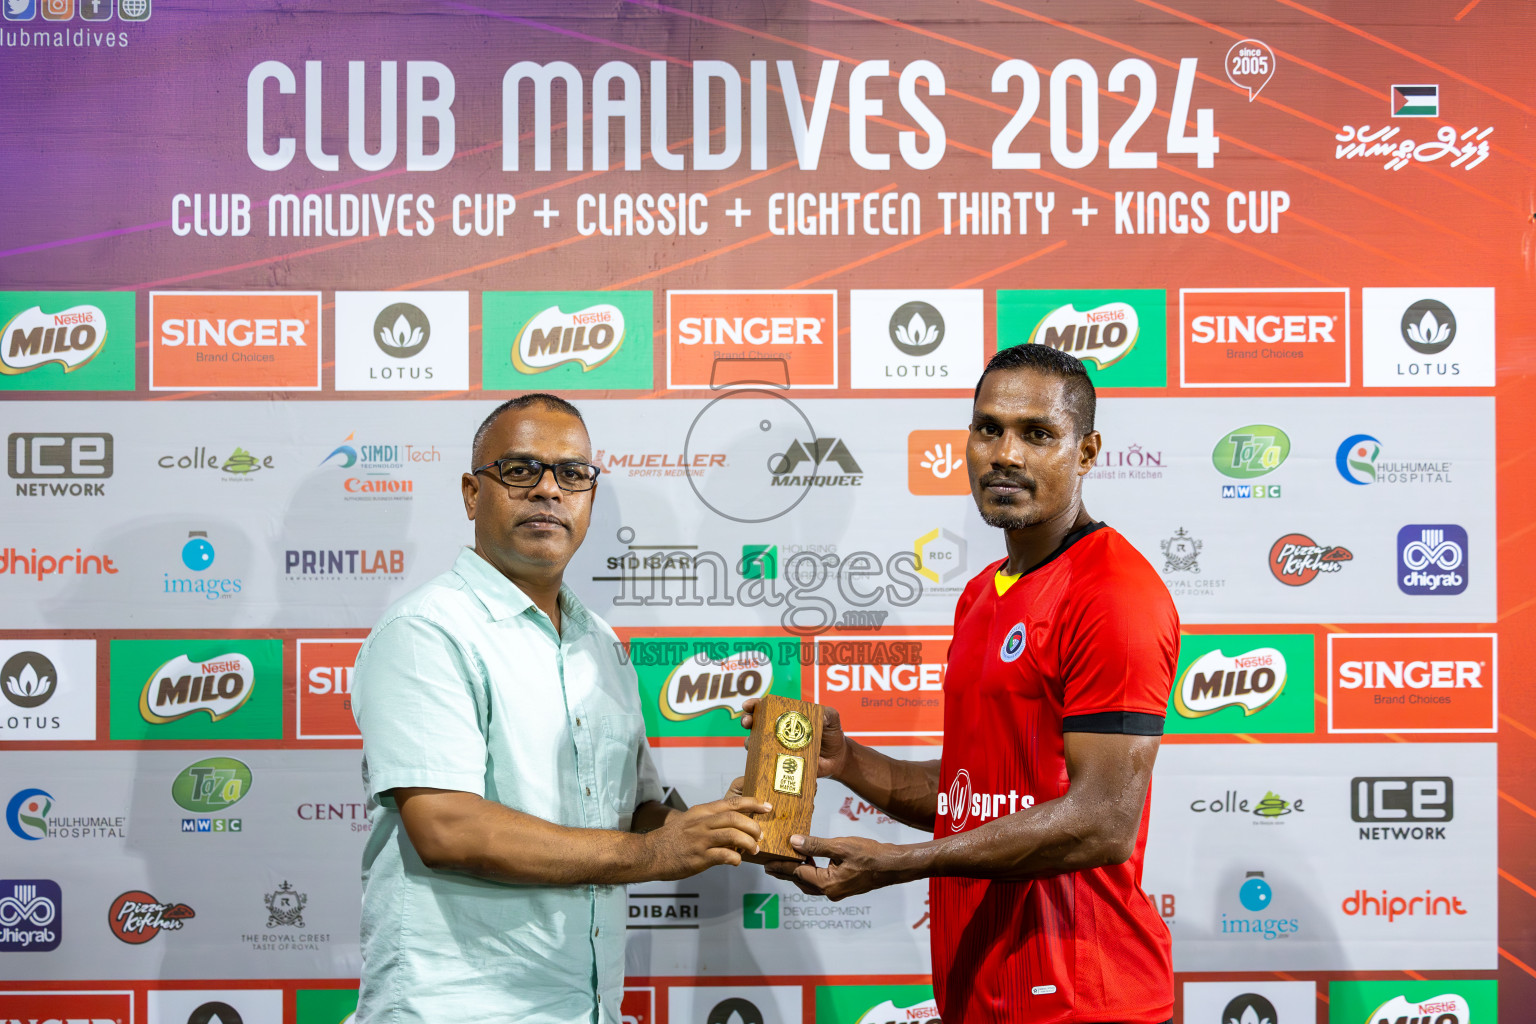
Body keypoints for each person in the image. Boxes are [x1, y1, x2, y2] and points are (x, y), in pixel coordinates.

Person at [744, 345, 1177, 1024]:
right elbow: (978, 796)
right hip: (981, 989)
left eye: (1037, 434)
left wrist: (903, 864)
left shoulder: (1114, 593)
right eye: (988, 429)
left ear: (1087, 452)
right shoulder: (983, 593)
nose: (1005, 453)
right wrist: (848, 762)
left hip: (1084, 998)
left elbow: (1103, 822)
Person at [352, 394, 769, 1024]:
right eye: (520, 471)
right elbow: (446, 827)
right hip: (458, 1008)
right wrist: (656, 855)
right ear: (472, 494)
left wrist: (741, 822)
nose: (548, 491)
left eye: (572, 475)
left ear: (590, 499)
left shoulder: (598, 642)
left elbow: (633, 813)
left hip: (587, 1007)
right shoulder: (427, 631)